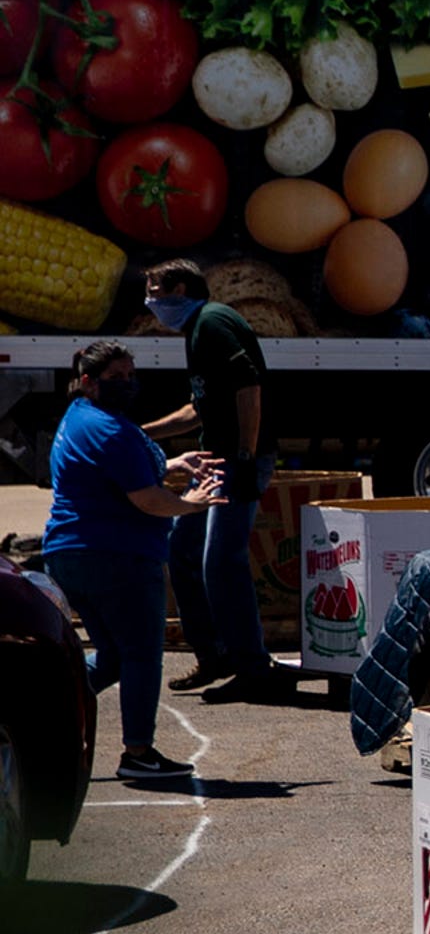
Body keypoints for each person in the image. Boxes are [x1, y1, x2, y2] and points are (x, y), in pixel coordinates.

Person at [42, 341, 218, 785]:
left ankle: (37, 710)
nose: (127, 384)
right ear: (87, 381)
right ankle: (138, 752)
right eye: (116, 377)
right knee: (141, 654)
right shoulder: (109, 429)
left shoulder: (81, 419)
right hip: (114, 557)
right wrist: (192, 503)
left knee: (115, 657)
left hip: (73, 553)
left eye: (130, 375)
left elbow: (117, 472)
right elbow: (147, 500)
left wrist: (173, 461)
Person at [140, 260, 274, 700]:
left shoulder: (212, 323)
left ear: (180, 287)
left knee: (221, 562)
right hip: (216, 463)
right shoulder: (198, 327)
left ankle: (251, 668)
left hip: (232, 463)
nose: (151, 300)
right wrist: (141, 433)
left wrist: (245, 458)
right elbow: (200, 407)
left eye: (155, 290)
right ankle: (213, 656)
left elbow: (248, 389)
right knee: (181, 549)